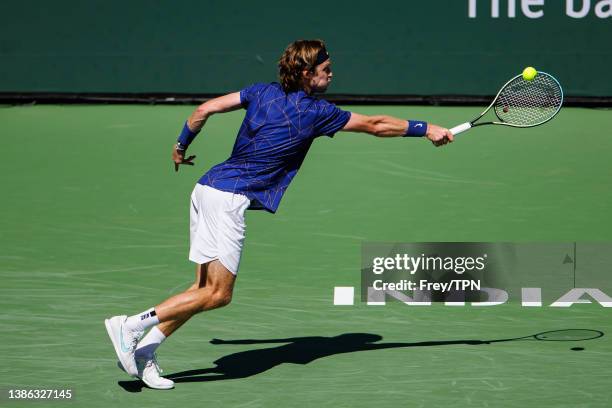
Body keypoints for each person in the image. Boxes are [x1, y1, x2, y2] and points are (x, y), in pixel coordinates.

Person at [104, 39, 453, 390]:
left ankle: (146, 349)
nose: (332, 76)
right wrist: (427, 129)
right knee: (218, 295)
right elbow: (376, 124)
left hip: (207, 188)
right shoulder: (317, 112)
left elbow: (204, 110)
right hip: (227, 199)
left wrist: (181, 146)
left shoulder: (259, 92)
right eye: (325, 71)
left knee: (201, 288)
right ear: (305, 74)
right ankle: (132, 325)